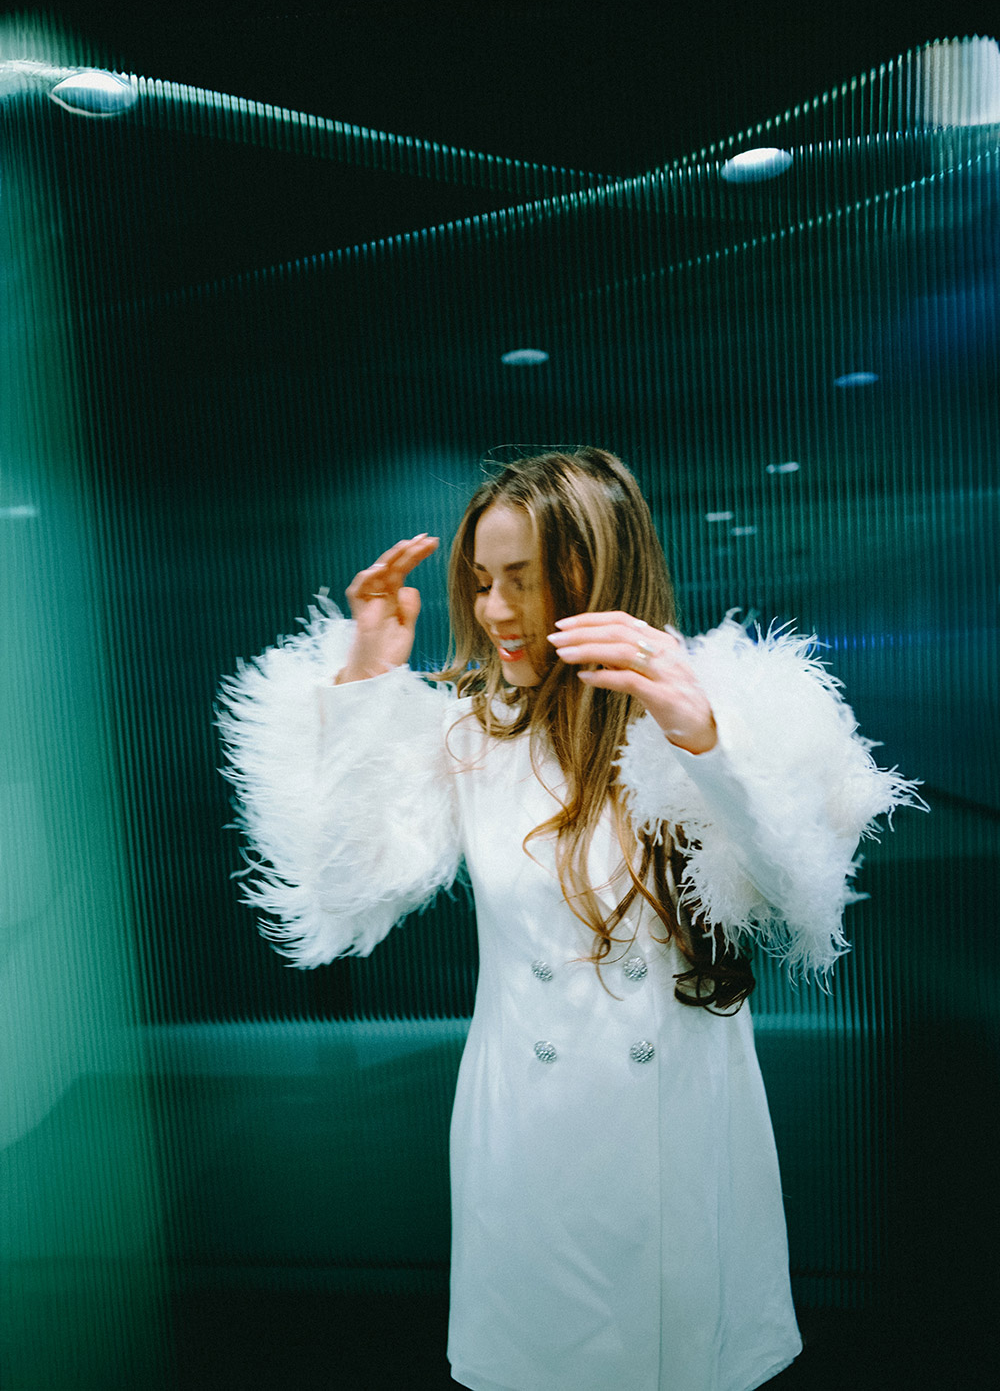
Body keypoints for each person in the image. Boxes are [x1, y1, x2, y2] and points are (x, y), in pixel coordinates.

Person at [217, 447, 920, 1391]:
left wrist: (704, 735)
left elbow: (801, 892)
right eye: (481, 582)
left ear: (595, 569)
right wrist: (366, 681)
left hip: (683, 1127)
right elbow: (347, 895)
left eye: (523, 578)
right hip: (529, 1132)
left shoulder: (732, 705)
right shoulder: (470, 734)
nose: (495, 611)